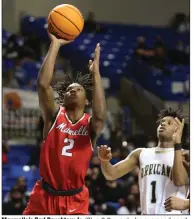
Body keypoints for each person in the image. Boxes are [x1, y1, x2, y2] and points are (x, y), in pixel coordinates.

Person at [23, 32, 106, 215]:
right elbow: (43, 85)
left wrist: (96, 75)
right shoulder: (54, 115)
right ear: (63, 98)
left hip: (75, 199)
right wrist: (55, 44)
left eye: (78, 89)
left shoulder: (90, 124)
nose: (73, 91)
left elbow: (100, 117)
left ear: (87, 101)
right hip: (44, 195)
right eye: (69, 90)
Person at [98, 108, 188, 214]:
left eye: (169, 123)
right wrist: (104, 161)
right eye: (162, 122)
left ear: (179, 129)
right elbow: (111, 174)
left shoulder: (185, 154)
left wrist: (187, 203)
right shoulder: (140, 153)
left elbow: (179, 181)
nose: (163, 124)